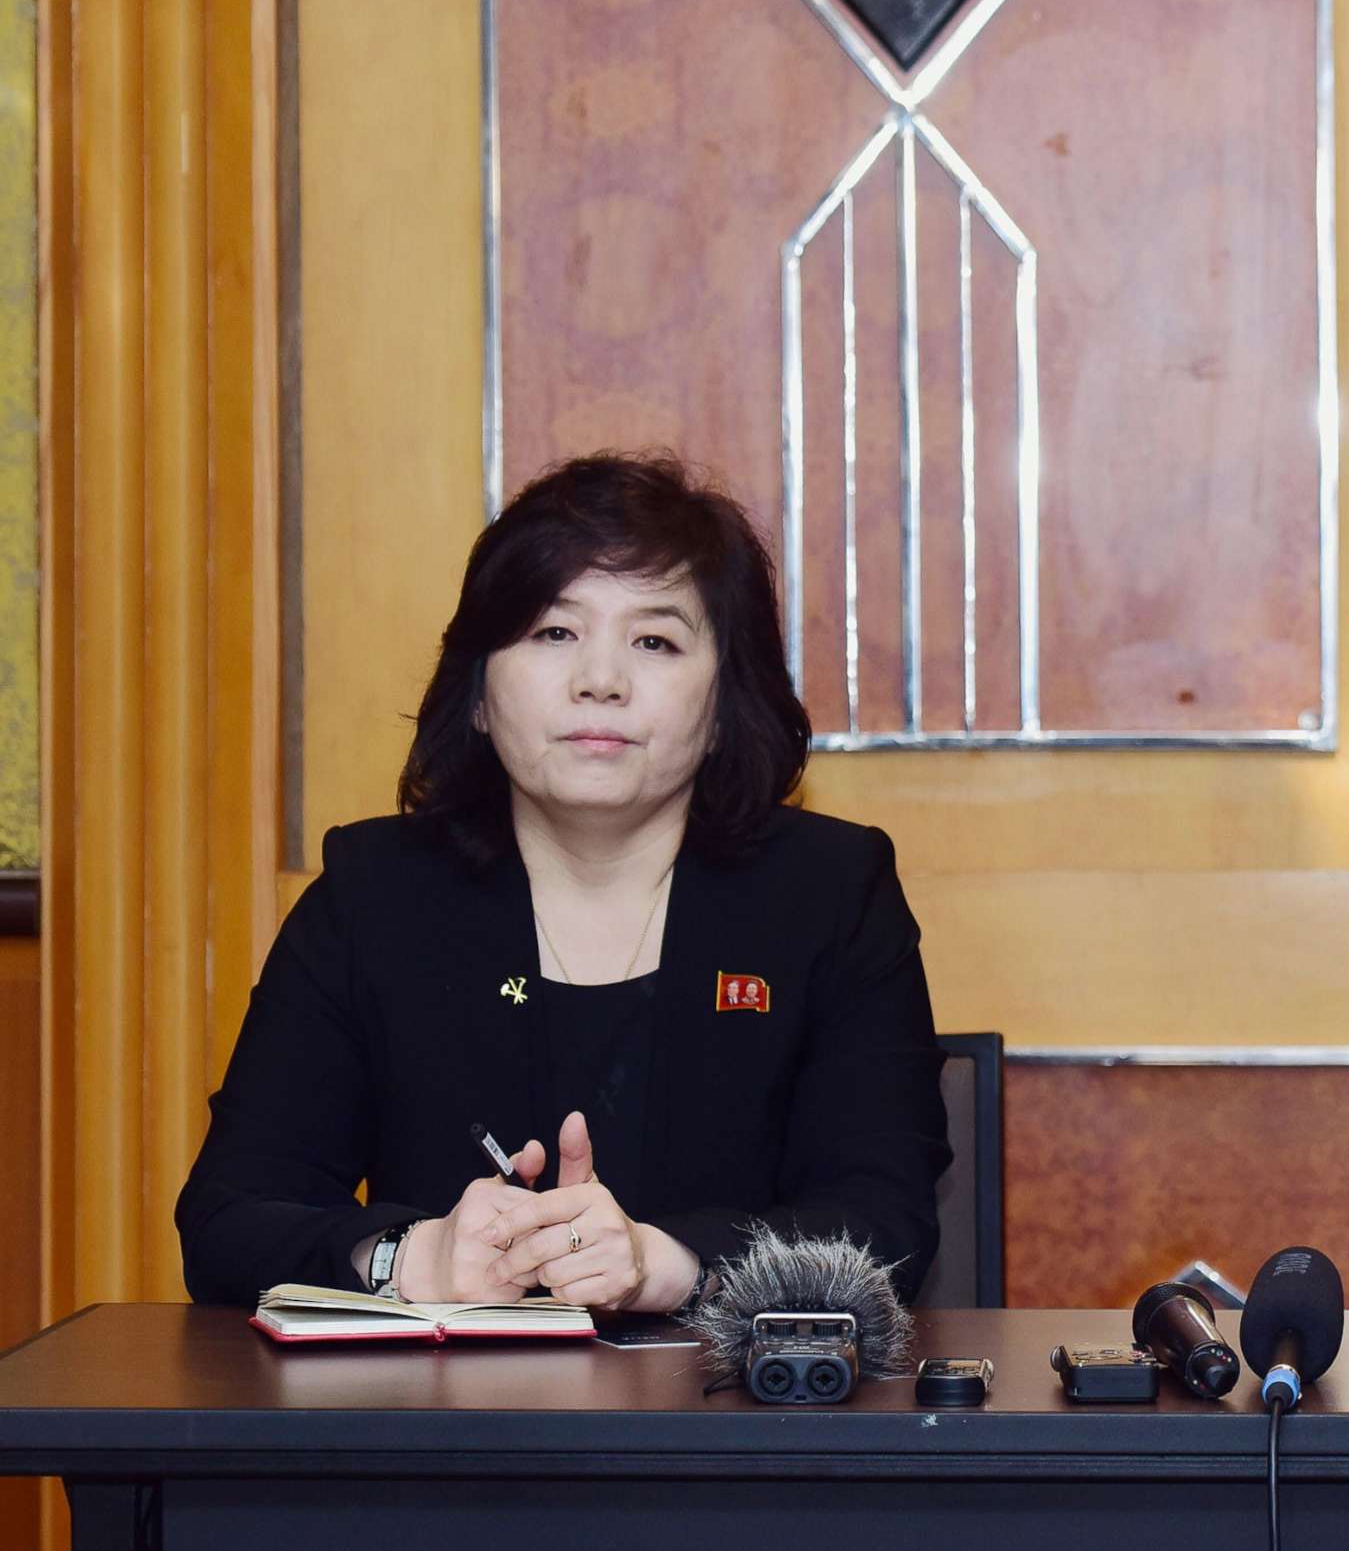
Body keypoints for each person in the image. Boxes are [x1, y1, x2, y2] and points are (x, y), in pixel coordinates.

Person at [177, 453, 951, 1311]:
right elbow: (228, 1217)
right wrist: (409, 1259)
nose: (601, 680)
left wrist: (668, 1263)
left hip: (733, 1426)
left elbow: (888, 1224)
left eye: (654, 640)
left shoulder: (830, 894)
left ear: (727, 705)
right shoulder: (376, 898)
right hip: (441, 1429)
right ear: (475, 692)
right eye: (554, 632)